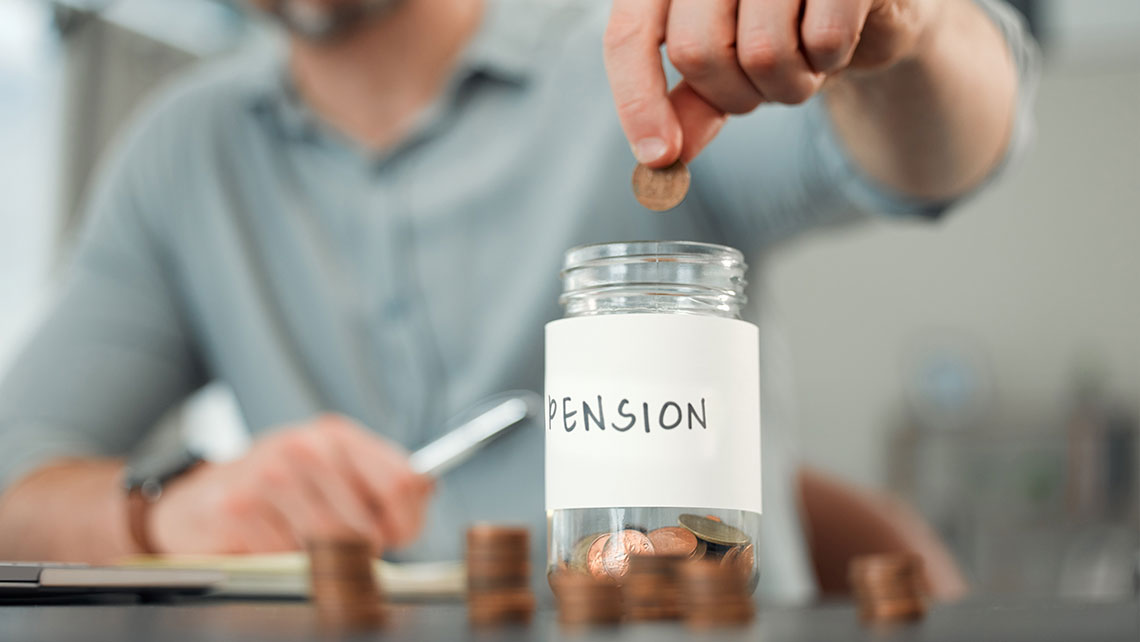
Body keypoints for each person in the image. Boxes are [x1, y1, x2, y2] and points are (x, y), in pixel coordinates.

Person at [0, 0, 1036, 601]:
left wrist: (914, 28)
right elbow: (13, 483)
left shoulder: (652, 40)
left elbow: (932, 163)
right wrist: (167, 515)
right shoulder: (185, 148)